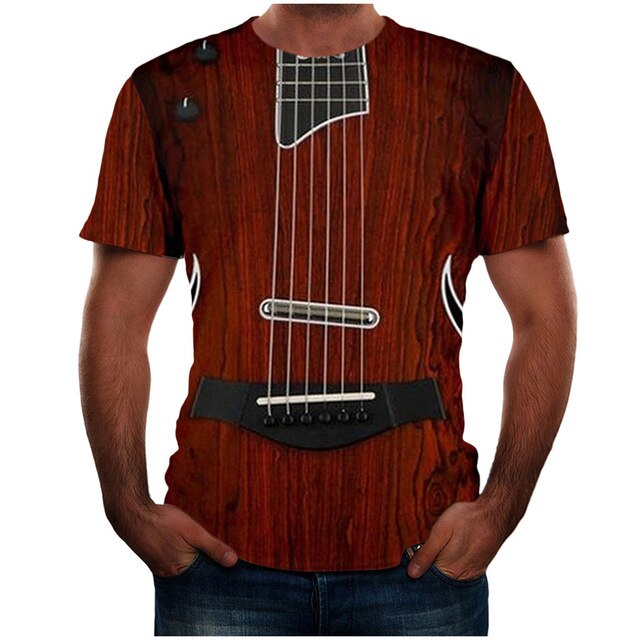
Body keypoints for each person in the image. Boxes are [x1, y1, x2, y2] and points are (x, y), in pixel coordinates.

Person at [78, 3, 576, 636]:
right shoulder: (165, 90)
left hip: (421, 553)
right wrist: (126, 505)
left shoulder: (483, 89)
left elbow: (544, 315)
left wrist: (502, 508)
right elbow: (118, 318)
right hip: (217, 551)